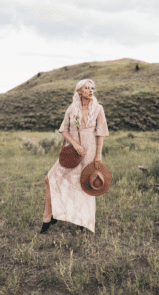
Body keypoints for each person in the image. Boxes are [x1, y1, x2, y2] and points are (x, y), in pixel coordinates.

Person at [40, 79, 109, 234]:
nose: (91, 91)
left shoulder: (98, 108)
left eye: (92, 88)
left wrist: (98, 155)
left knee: (84, 186)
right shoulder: (72, 109)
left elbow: (101, 133)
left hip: (89, 152)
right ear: (79, 91)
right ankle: (49, 216)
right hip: (71, 152)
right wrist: (75, 144)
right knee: (50, 178)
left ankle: (83, 223)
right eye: (87, 88)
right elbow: (63, 129)